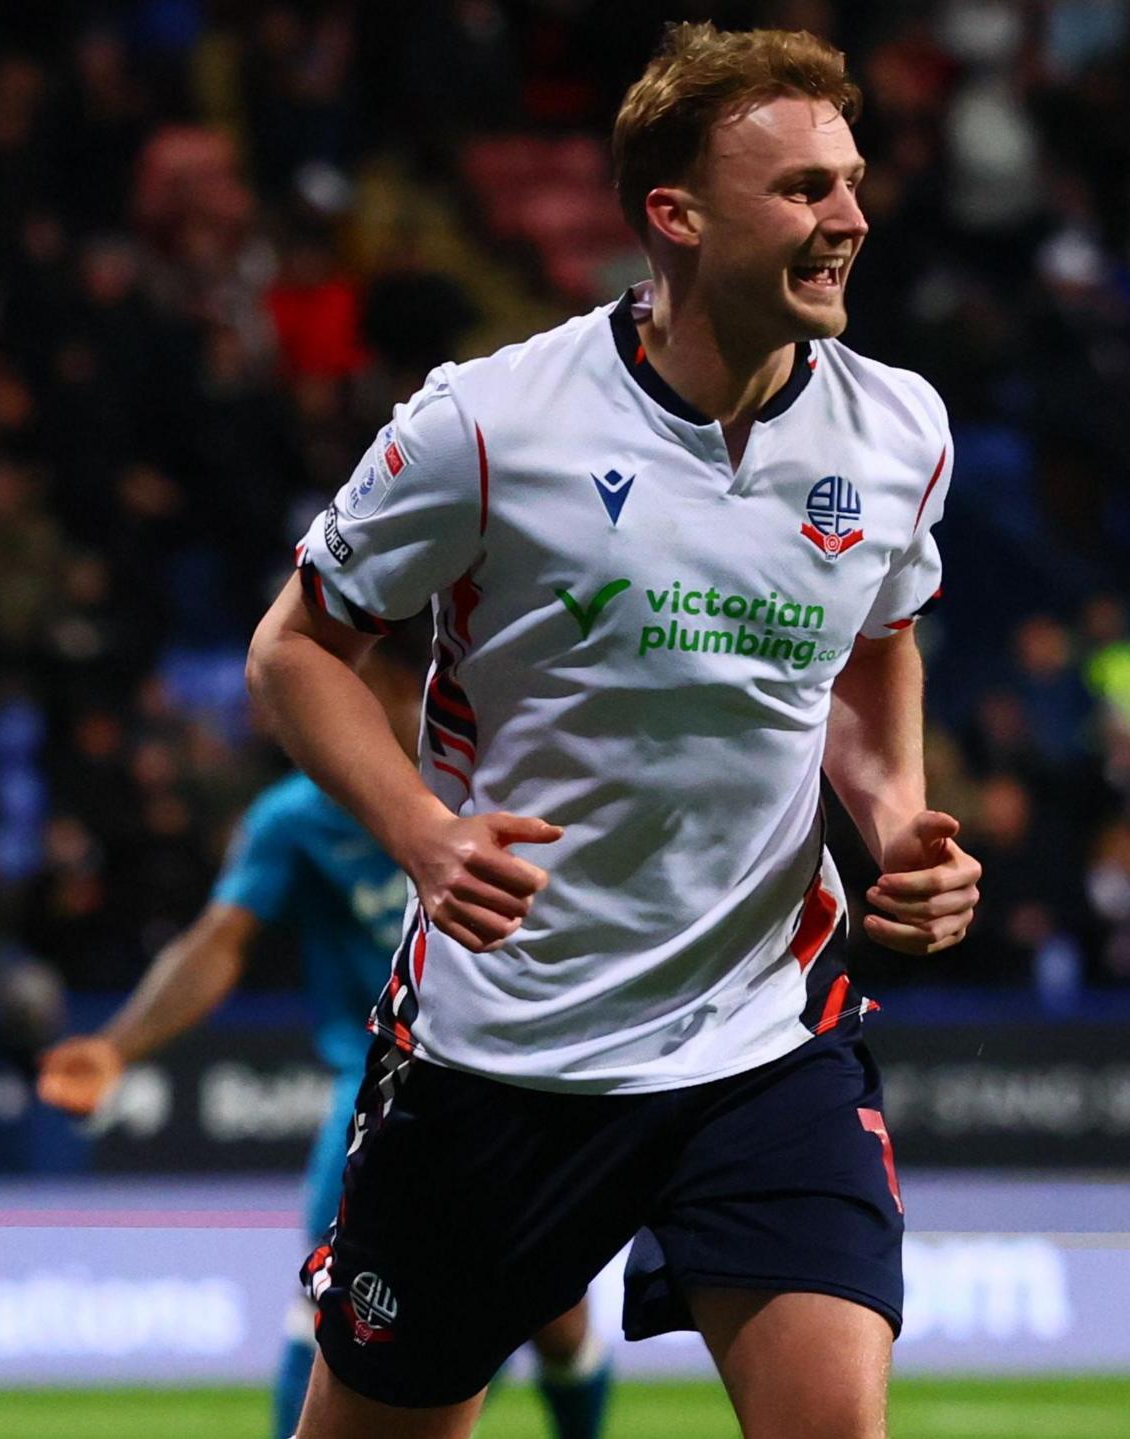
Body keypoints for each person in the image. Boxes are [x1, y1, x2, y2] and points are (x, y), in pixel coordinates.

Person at [249, 26, 979, 1439]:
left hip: (766, 1030)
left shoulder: (901, 430)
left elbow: (873, 654)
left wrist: (894, 817)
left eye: (852, 179)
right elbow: (296, 650)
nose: (852, 217)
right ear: (677, 215)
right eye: (807, 189)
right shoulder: (486, 424)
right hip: (505, 1048)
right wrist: (420, 830)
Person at [39, 638, 611, 1439]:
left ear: (379, 673)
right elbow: (218, 939)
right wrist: (117, 1046)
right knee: (331, 1305)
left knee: (557, 1316)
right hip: (385, 1082)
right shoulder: (298, 817)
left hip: (531, 1067)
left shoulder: (506, 772)